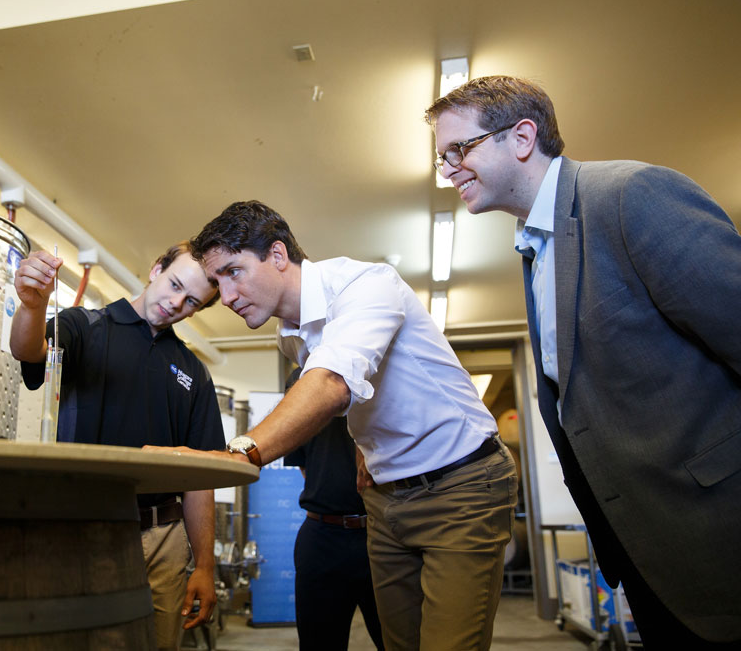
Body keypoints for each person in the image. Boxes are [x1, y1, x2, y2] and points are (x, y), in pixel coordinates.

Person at [425, 75, 741, 649]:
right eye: (442, 157)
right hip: (648, 547)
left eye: (458, 150)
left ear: (522, 136)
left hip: (717, 532)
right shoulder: (534, 245)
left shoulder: (630, 195)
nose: (447, 170)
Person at [147, 202, 518, 651]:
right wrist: (366, 445)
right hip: (385, 498)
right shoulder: (290, 334)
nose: (225, 296)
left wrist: (230, 458)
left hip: (461, 482)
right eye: (218, 281)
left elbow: (333, 384)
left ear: (278, 255)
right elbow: (360, 395)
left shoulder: (367, 285)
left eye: (234, 272)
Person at [9, 241, 224, 650]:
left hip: (165, 536)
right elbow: (29, 351)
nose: (176, 302)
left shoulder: (193, 371)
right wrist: (33, 306)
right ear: (156, 268)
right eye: (175, 283)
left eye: (191, 301)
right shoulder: (85, 326)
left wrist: (206, 567)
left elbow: (200, 478)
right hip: (86, 526)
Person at [282, 368, 383, 651]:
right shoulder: (300, 376)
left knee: (401, 641)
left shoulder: (378, 365)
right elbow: (305, 462)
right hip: (322, 538)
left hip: (384, 534)